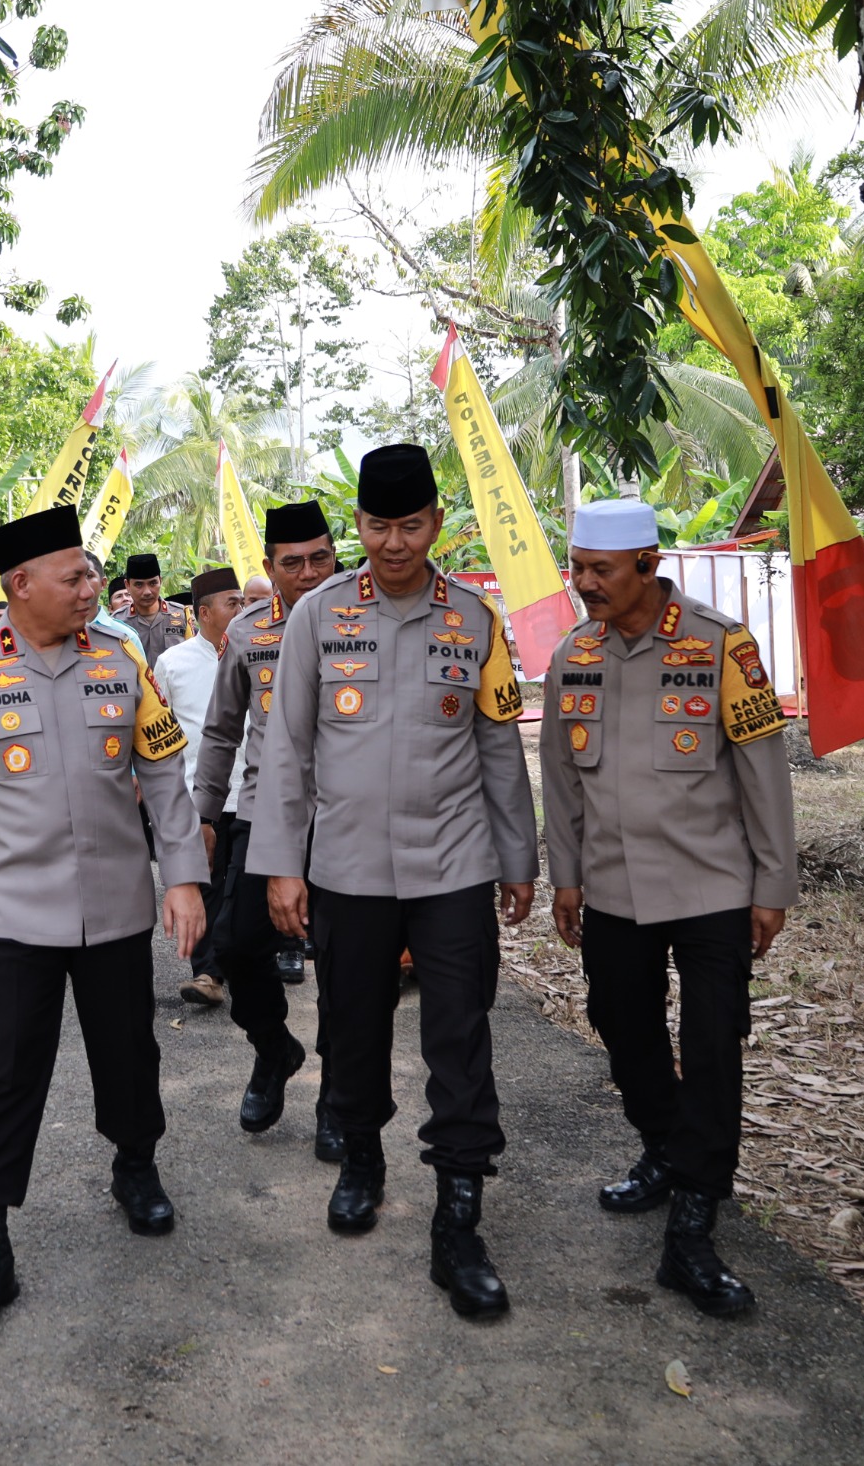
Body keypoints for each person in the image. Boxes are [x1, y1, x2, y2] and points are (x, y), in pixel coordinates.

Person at [246, 444, 538, 1321]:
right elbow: (288, 750)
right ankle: (363, 1158)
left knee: (460, 1030)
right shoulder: (319, 616)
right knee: (354, 1022)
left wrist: (518, 859)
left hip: (452, 864)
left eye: (410, 524)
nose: (394, 542)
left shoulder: (475, 621)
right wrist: (280, 867)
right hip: (346, 868)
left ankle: (459, 1212)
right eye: (377, 525)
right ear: (359, 527)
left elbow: (497, 747)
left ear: (436, 524)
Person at [0, 504, 210, 1336]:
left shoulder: (122, 661)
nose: (93, 588)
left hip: (115, 907)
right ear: (21, 585)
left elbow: (161, 776)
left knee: (129, 1053)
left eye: (92, 574)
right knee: (4, 1077)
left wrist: (182, 877)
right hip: (10, 914)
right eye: (76, 576)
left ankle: (136, 1165)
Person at [544, 498, 797, 1320]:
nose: (583, 584)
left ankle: (694, 1217)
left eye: (600, 571)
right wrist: (566, 875)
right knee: (621, 1021)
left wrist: (772, 885)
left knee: (714, 1039)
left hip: (712, 885)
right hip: (613, 885)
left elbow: (763, 771)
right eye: (577, 567)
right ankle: (664, 1145)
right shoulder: (573, 655)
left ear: (649, 567)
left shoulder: (723, 645)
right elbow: (559, 775)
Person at [192, 502, 341, 1149]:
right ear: (269, 568)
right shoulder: (249, 633)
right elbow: (222, 731)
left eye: (320, 559)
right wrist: (202, 813)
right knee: (235, 944)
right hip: (262, 813)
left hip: (346, 818)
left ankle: (341, 1098)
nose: (308, 574)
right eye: (292, 563)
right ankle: (274, 1048)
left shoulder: (366, 619)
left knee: (346, 966)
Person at [153, 567, 247, 1009]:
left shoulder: (258, 651)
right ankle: (208, 973)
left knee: (241, 884)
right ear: (204, 612)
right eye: (234, 602)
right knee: (206, 883)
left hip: (252, 790)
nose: (242, 609)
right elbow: (162, 730)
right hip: (199, 795)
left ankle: (244, 961)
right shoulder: (172, 663)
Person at [118, 552, 190, 661]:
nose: (147, 592)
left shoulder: (181, 614)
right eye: (139, 585)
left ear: (160, 581)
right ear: (127, 585)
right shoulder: (118, 622)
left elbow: (191, 656)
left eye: (153, 583)